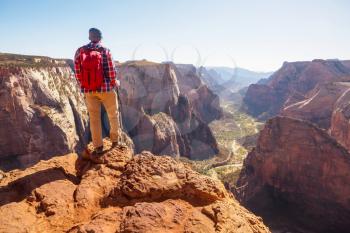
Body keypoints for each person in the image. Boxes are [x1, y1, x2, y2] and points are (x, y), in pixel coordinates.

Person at [74, 28, 120, 154]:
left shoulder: (80, 51)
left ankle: (98, 146)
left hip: (89, 90)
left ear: (89, 37)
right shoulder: (105, 50)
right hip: (106, 89)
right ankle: (115, 141)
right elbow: (111, 71)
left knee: (94, 118)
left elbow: (77, 72)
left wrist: (84, 85)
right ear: (100, 38)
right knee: (113, 115)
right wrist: (114, 82)